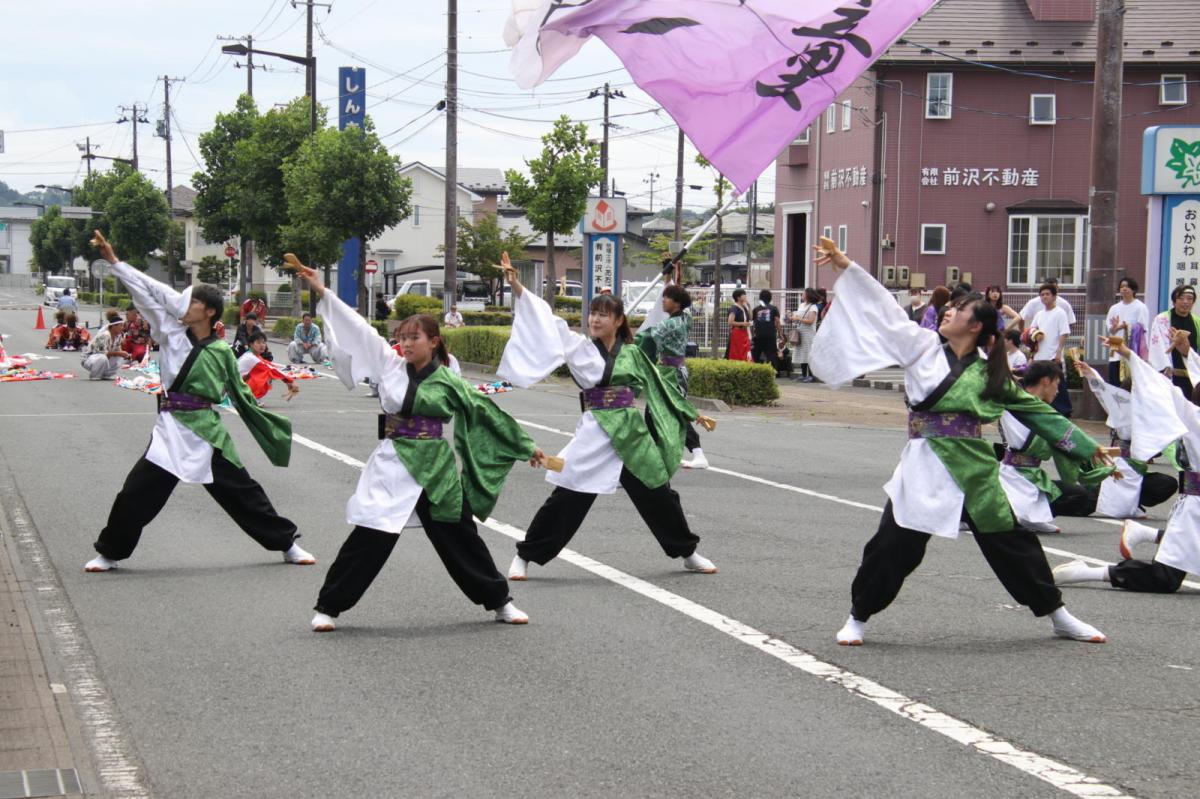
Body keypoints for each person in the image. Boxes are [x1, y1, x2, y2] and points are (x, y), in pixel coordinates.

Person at [808, 235, 1111, 646]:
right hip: (925, 465)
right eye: (950, 307)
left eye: (959, 309)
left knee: (1012, 544)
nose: (947, 311)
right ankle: (858, 616)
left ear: (976, 326)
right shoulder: (919, 347)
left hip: (975, 470)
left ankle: (1058, 614)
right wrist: (847, 265)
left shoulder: (991, 372)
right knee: (893, 546)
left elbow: (1036, 411)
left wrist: (1085, 445)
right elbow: (881, 308)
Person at [288, 255, 539, 631]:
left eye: (413, 338)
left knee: (459, 536)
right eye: (402, 337)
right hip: (393, 463)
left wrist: (525, 446)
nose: (404, 343)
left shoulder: (449, 380)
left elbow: (483, 413)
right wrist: (322, 290)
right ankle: (328, 606)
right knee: (371, 534)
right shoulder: (388, 365)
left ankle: (500, 602)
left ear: (433, 341)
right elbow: (357, 329)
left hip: (436, 468)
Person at [83, 231, 314, 574]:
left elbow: (241, 394)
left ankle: (287, 543)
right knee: (136, 493)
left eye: (191, 302)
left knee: (243, 493)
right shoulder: (169, 331)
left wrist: (268, 425)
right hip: (171, 429)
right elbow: (147, 294)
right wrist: (116, 264)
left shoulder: (221, 351)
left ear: (207, 311)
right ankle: (110, 552)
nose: (183, 307)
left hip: (207, 432)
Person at [497, 252, 719, 582]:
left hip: (631, 434)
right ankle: (526, 555)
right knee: (567, 497)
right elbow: (547, 322)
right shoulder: (578, 348)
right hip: (595, 431)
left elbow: (659, 387)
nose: (596, 320)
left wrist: (690, 412)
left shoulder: (634, 352)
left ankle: (686, 551)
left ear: (618, 321)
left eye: (604, 315)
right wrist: (516, 285)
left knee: (659, 493)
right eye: (593, 314)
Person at [1054, 335, 1199, 593]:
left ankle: (1146, 533)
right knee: (1164, 578)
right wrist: (1129, 356)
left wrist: (1189, 354)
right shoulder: (1193, 418)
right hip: (1195, 508)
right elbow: (1166, 389)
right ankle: (1087, 572)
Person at [996, 362, 1114, 533]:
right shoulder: (1013, 402)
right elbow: (1062, 430)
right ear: (1046, 381)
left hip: (1034, 476)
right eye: (1056, 384)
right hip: (1011, 476)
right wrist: (1092, 448)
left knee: (1082, 496)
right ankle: (1007, 513)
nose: (1058, 391)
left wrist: (1092, 456)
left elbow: (1063, 439)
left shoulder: (1040, 408)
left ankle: (1028, 516)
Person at [1075, 358, 1176, 519]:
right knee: (1084, 500)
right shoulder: (1120, 409)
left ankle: (1134, 502)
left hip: (1137, 472)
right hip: (1116, 469)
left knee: (1166, 483)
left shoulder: (1152, 413)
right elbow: (1103, 392)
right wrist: (1090, 374)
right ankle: (1095, 493)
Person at [638, 262, 708, 469]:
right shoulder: (684, 318)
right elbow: (676, 294)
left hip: (672, 374)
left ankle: (698, 454)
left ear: (676, 303)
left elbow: (646, 336)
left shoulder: (670, 325)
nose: (663, 300)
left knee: (673, 413)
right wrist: (668, 276)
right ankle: (657, 454)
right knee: (654, 413)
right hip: (666, 372)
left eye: (666, 297)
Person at [1147, 283, 1200, 399]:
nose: (1185, 302)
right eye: (1181, 298)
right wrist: (1165, 369)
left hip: (1193, 377)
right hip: (1170, 376)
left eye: (1190, 299)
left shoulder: (1197, 322)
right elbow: (1157, 347)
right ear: (1174, 301)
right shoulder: (1162, 319)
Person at [1028, 282, 1073, 416]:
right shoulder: (1039, 314)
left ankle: (1064, 412)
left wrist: (1059, 351)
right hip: (1039, 356)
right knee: (1041, 385)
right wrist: (1031, 355)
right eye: (1042, 295)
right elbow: (1031, 332)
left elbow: (1064, 332)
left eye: (1047, 294)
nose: (1044, 297)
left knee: (1057, 384)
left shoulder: (1060, 313)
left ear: (1054, 296)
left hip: (1052, 355)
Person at [1105, 276, 1149, 386]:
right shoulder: (1114, 308)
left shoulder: (1140, 307)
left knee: (1130, 385)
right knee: (1115, 384)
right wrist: (1115, 327)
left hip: (1131, 351)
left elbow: (1142, 328)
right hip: (1116, 350)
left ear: (1133, 290)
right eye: (1122, 287)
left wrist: (1127, 326)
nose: (1124, 289)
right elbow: (1111, 330)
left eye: (1127, 286)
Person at [239, 331, 300, 402]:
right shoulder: (251, 358)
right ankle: (252, 399)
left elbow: (269, 364)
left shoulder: (252, 355)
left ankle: (250, 397)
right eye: (258, 343)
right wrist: (290, 381)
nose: (262, 345)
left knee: (266, 372)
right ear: (251, 344)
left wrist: (287, 368)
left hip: (237, 386)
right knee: (266, 374)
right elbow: (271, 369)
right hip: (236, 389)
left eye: (264, 342)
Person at [82, 310, 129, 381]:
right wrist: (119, 353)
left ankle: (106, 374)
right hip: (90, 359)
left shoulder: (118, 336)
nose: (122, 328)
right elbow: (102, 353)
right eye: (121, 325)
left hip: (101, 357)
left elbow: (118, 349)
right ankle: (95, 375)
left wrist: (125, 355)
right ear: (114, 326)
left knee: (120, 356)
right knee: (102, 358)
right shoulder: (105, 334)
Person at [788, 288, 819, 382]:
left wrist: (798, 318)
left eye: (804, 293)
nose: (802, 294)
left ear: (808, 295)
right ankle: (803, 374)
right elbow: (797, 317)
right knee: (802, 354)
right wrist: (792, 317)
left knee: (808, 353)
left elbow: (811, 321)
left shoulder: (813, 307)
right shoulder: (801, 305)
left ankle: (811, 375)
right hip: (800, 332)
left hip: (808, 333)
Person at [751, 288, 782, 372]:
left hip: (758, 334)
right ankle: (773, 372)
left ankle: (754, 371)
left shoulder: (756, 309)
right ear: (770, 298)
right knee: (771, 354)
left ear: (760, 298)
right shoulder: (774, 308)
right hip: (770, 334)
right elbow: (777, 321)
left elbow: (752, 323)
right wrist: (780, 333)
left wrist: (752, 334)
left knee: (755, 353)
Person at [726, 288, 752, 362]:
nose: (745, 296)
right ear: (738, 297)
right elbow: (730, 322)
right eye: (743, 295)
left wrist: (749, 306)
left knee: (745, 352)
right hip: (737, 333)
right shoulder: (734, 308)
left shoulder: (744, 307)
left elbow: (750, 317)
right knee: (737, 352)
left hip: (744, 332)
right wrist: (743, 323)